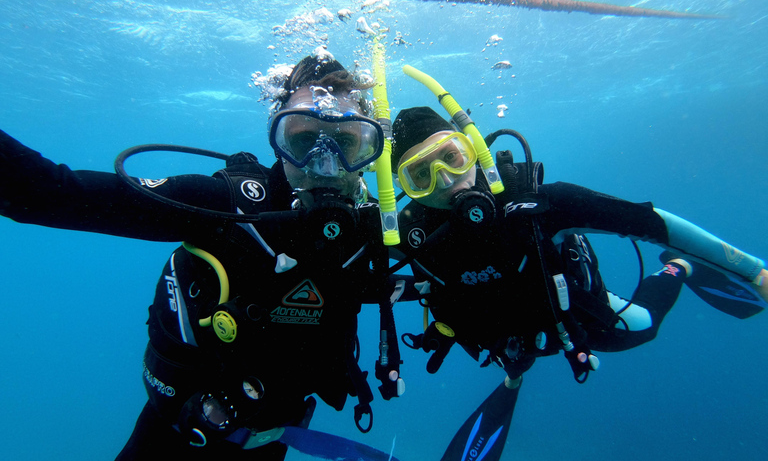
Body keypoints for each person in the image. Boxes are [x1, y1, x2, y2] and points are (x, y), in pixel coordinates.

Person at [0, 55, 405, 460]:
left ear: (371, 150)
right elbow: (53, 194)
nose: (326, 164)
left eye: (347, 143)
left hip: (273, 440)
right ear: (278, 144)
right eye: (302, 141)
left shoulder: (375, 232)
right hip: (170, 440)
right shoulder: (223, 208)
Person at [390, 105, 768, 384]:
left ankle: (677, 268)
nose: (444, 181)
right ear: (404, 190)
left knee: (644, 326)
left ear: (472, 150)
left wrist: (754, 272)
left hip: (577, 316)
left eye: (451, 158)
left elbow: (651, 222)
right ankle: (515, 364)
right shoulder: (407, 234)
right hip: (497, 334)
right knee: (505, 350)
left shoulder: (542, 205)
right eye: (420, 176)